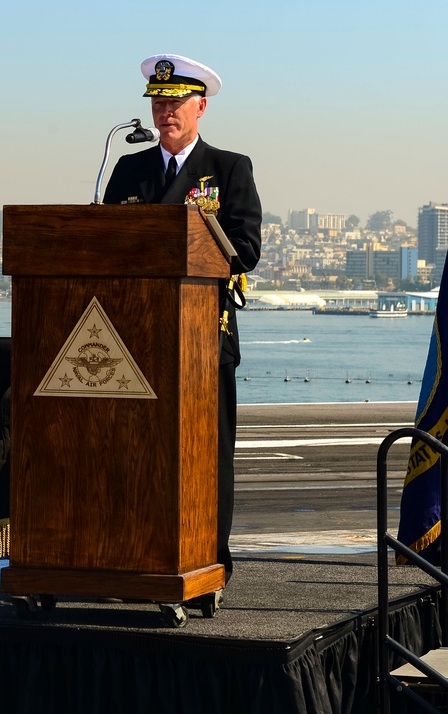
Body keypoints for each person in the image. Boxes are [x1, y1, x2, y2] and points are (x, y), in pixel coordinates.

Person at [103, 54, 262, 585]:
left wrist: (191, 243)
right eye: (158, 102)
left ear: (201, 107)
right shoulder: (130, 170)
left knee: (205, 456)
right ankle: (133, 557)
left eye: (175, 103)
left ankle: (208, 560)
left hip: (201, 339)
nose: (165, 112)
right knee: (136, 454)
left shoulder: (230, 168)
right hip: (136, 341)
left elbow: (245, 249)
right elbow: (106, 247)